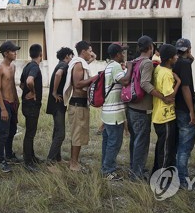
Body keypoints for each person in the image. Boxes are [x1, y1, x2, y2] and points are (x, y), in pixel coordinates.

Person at [127, 36, 169, 181]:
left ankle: (134, 168)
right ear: (150, 47)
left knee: (135, 140)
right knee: (141, 142)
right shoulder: (147, 63)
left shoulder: (134, 61)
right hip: (141, 108)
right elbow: (145, 83)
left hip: (131, 106)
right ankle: (137, 174)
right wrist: (161, 96)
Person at [63, 40, 97, 172]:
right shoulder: (78, 64)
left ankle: (74, 160)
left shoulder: (81, 63)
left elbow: (90, 60)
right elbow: (78, 84)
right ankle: (74, 163)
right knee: (77, 135)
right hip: (77, 104)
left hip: (81, 104)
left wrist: (91, 56)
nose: (91, 53)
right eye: (89, 50)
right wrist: (95, 78)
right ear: (83, 52)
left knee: (79, 135)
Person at [101, 43, 133, 181]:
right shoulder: (115, 66)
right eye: (122, 52)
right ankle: (108, 171)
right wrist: (130, 68)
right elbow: (125, 81)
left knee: (108, 142)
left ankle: (106, 166)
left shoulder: (109, 66)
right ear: (117, 54)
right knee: (115, 142)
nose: (124, 55)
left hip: (107, 111)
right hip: (114, 112)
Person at [152, 44, 181, 174]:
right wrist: (178, 83)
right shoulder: (168, 74)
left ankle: (155, 172)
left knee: (161, 147)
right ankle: (161, 178)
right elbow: (169, 97)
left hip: (158, 114)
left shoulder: (158, 68)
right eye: (175, 55)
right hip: (166, 117)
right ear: (170, 58)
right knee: (166, 150)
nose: (177, 57)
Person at [173, 38, 195, 188]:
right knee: (185, 146)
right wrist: (191, 111)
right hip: (183, 109)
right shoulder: (185, 64)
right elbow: (186, 88)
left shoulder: (174, 62)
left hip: (174, 107)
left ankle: (176, 173)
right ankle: (182, 179)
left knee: (177, 144)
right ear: (188, 49)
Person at [0, 41, 22, 173]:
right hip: (3, 104)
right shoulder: (0, 68)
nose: (15, 53)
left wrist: (16, 100)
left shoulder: (13, 67)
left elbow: (12, 85)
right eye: (13, 51)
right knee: (3, 133)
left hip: (12, 103)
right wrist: (3, 109)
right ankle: (0, 160)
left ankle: (9, 155)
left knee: (12, 131)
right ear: (6, 53)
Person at [46, 47, 74, 165]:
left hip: (57, 103)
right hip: (57, 103)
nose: (72, 58)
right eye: (71, 56)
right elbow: (58, 74)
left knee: (56, 131)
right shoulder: (63, 65)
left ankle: (57, 158)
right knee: (61, 134)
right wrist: (54, 92)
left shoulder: (60, 64)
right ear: (67, 56)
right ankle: (50, 161)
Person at [20, 44, 44, 172]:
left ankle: (32, 157)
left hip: (26, 104)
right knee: (30, 133)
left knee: (31, 132)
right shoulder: (34, 67)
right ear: (41, 53)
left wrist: (26, 93)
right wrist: (33, 92)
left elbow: (22, 84)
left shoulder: (27, 66)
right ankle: (28, 162)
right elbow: (29, 81)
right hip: (32, 106)